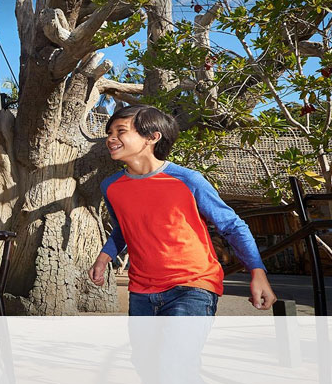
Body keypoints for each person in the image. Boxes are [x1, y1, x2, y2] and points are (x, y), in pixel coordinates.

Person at [88, 104, 277, 316]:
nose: (111, 138)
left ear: (152, 137)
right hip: (141, 291)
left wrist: (257, 272)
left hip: (192, 286)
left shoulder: (188, 179)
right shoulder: (111, 186)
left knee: (178, 350)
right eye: (110, 133)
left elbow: (232, 225)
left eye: (121, 131)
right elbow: (124, 228)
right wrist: (103, 259)